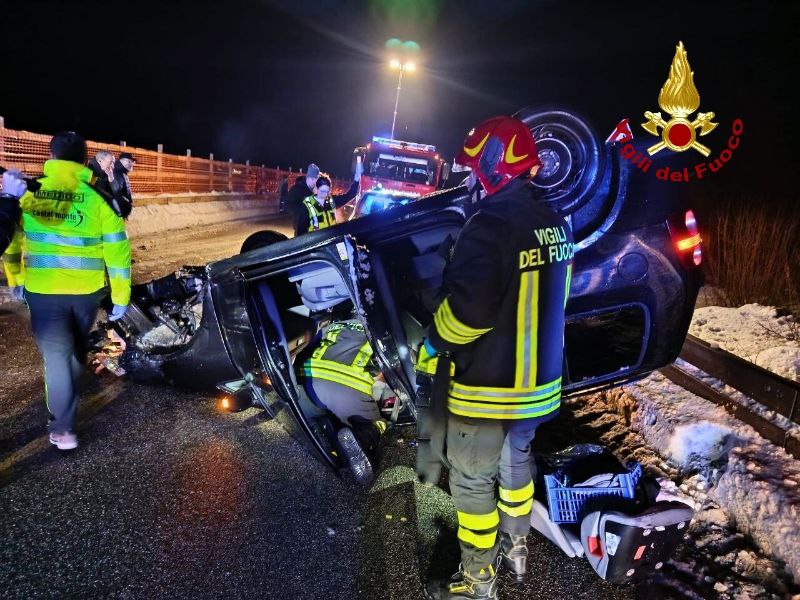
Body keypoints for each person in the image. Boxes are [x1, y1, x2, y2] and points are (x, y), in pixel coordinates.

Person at [416, 117, 574, 599]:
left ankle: (479, 580)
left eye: (473, 169)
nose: (469, 180)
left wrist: (431, 343)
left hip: (488, 390)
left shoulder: (489, 226)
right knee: (515, 466)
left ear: (492, 163)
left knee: (472, 484)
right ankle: (518, 548)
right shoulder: (555, 222)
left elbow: (469, 315)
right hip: (539, 389)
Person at [1, 132, 131, 451]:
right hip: (86, 292)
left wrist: (14, 275)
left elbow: (13, 239)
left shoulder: (32, 192)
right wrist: (121, 296)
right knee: (74, 350)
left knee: (58, 355)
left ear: (53, 156)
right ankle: (65, 412)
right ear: (83, 158)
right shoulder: (98, 195)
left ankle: (63, 428)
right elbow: (117, 251)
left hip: (43, 292)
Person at [301, 319, 387, 486]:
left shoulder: (333, 324)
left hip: (310, 382)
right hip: (348, 386)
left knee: (307, 415)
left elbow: (308, 346)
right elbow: (388, 367)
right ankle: (361, 437)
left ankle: (318, 432)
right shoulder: (380, 323)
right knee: (380, 425)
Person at [294, 158, 362, 236]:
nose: (324, 194)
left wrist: (357, 178)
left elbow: (350, 195)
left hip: (330, 242)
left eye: (327, 190)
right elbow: (300, 234)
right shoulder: (306, 206)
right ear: (316, 188)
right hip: (315, 245)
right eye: (322, 190)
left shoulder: (331, 201)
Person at [110, 151, 135, 218]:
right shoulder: (118, 173)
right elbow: (115, 193)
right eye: (129, 161)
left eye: (132, 162)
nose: (132, 164)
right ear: (122, 161)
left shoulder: (122, 171)